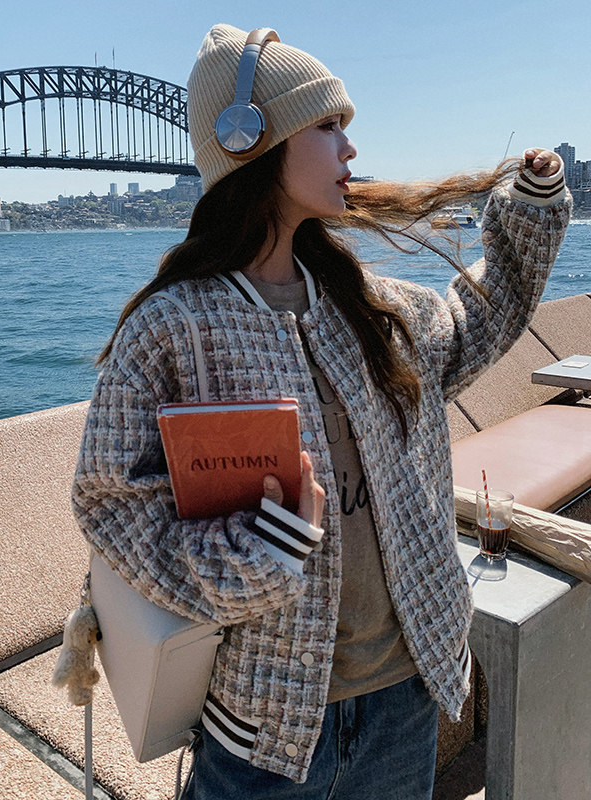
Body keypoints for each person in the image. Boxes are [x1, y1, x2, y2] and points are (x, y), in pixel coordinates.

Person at [71, 23, 570, 800]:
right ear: (249, 140)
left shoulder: (370, 305)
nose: (350, 148)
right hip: (267, 727)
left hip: (406, 696)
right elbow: (111, 503)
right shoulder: (173, 327)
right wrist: (255, 558)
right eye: (328, 125)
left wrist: (528, 213)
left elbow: (475, 324)